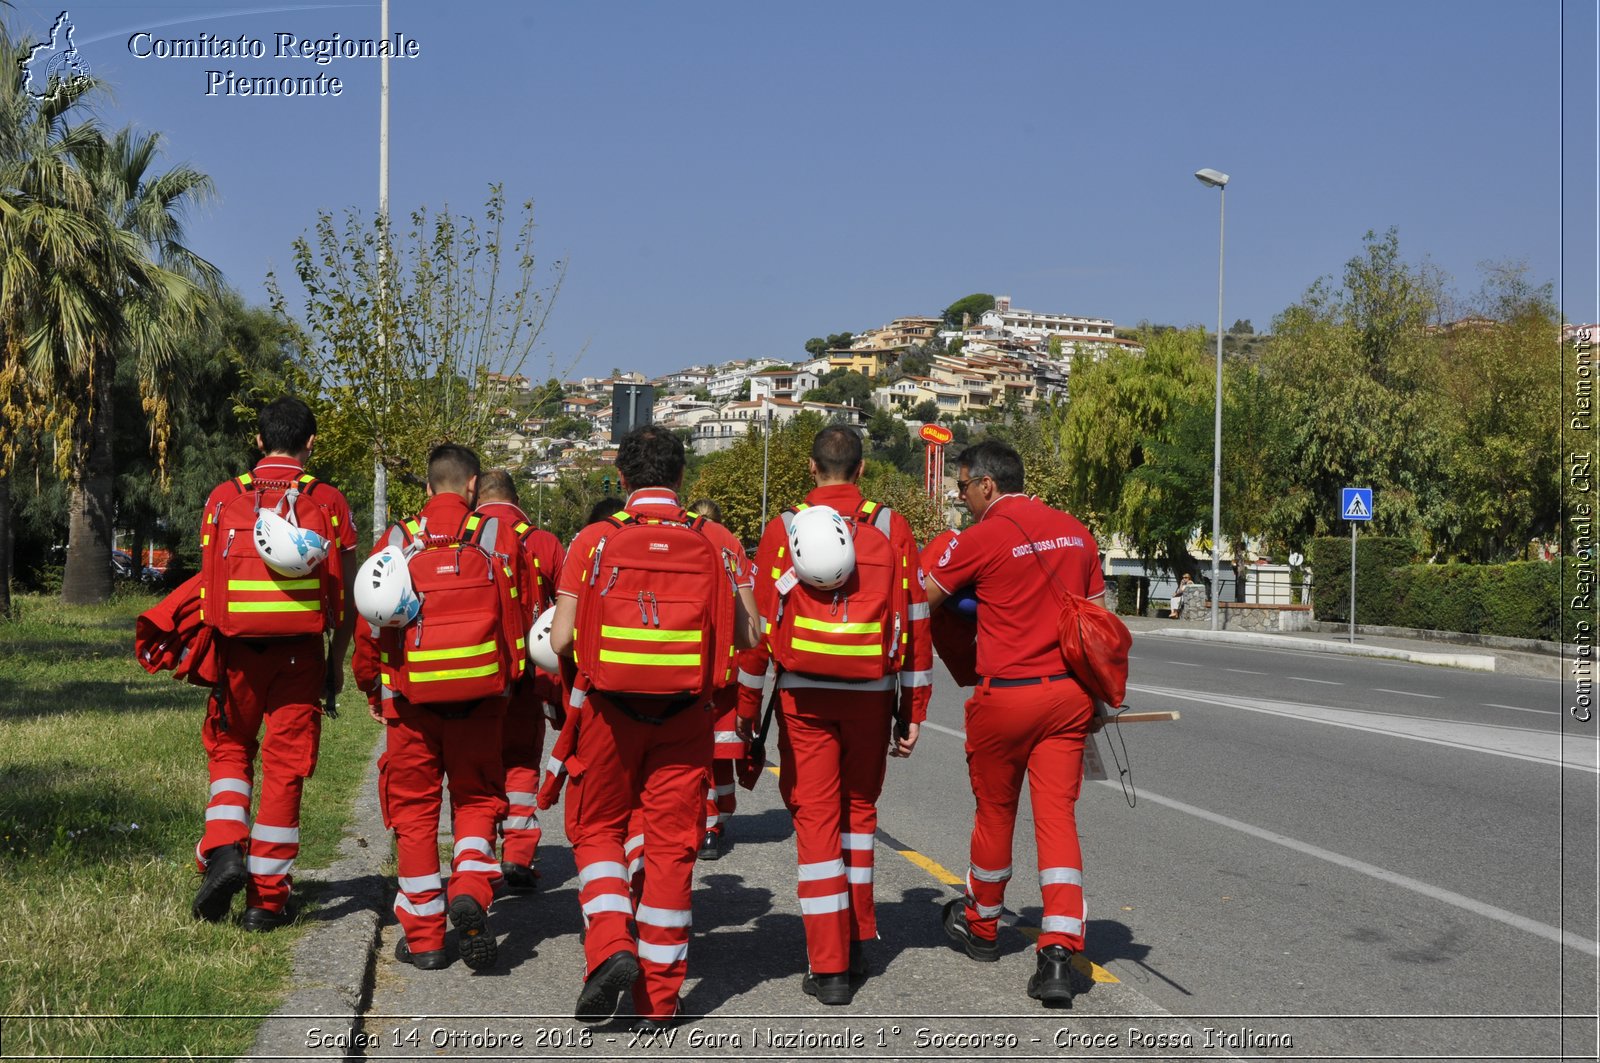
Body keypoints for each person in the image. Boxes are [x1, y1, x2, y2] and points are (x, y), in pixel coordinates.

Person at [550, 426, 760, 1030]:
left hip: (608, 717)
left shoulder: (593, 539)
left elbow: (561, 639)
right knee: (671, 852)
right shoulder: (717, 540)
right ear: (681, 480)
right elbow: (749, 637)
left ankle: (612, 943)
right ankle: (659, 1002)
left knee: (596, 831)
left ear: (621, 479)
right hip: (685, 718)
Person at [735, 425, 932, 1005]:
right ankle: (856, 937)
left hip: (803, 697)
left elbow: (756, 633)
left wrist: (748, 713)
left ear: (811, 467)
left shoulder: (784, 528)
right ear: (863, 469)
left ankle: (829, 968)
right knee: (860, 814)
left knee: (816, 822)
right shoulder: (893, 527)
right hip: (872, 692)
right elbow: (916, 623)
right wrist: (911, 709)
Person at [922, 440, 1103, 1008]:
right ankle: (1057, 953)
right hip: (1070, 697)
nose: (961, 499)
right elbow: (1098, 619)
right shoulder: (1076, 531)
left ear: (987, 485)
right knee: (1057, 819)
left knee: (996, 812)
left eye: (962, 489)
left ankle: (981, 924)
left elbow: (922, 596)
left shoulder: (983, 536)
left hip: (1008, 697)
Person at [191, 397, 357, 931]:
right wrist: (336, 665)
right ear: (311, 443)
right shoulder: (328, 501)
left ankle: (221, 851)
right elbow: (348, 595)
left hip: (235, 653)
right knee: (286, 769)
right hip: (300, 655)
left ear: (258, 442)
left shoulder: (223, 498)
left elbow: (208, 588)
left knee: (230, 748)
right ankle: (266, 901)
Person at [353, 444, 519, 972]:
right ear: (473, 487)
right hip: (480, 699)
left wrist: (372, 689)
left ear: (427, 489)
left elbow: (369, 622)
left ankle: (424, 938)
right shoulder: (497, 539)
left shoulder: (398, 540)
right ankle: (470, 887)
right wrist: (507, 686)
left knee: (415, 813)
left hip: (411, 703)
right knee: (477, 800)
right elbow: (518, 619)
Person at [475, 469, 566, 890]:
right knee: (522, 762)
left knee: (476, 766)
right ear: (517, 498)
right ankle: (518, 854)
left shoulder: (466, 535)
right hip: (527, 675)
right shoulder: (543, 541)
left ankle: (478, 852)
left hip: (473, 673)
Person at [686, 496, 742, 861]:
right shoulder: (732, 547)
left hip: (689, 663)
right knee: (720, 753)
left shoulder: (683, 541)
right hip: (728, 665)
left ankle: (705, 822)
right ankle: (718, 816)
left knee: (695, 753)